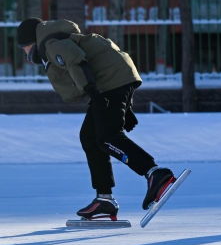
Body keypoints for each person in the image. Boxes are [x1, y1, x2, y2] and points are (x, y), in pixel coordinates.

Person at [17, 17, 178, 221]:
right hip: (113, 80)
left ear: (31, 40)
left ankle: (154, 173)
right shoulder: (59, 37)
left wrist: (94, 93)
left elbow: (76, 60)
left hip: (108, 84)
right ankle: (104, 199)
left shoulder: (50, 43)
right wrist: (124, 107)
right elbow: (105, 62)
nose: (25, 54)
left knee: (107, 137)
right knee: (89, 137)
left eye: (24, 47)